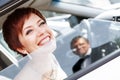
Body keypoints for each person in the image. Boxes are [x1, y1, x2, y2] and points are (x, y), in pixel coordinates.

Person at [2, 7, 67, 80]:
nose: (41, 31)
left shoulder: (49, 57)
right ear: (21, 48)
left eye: (41, 23)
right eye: (29, 31)